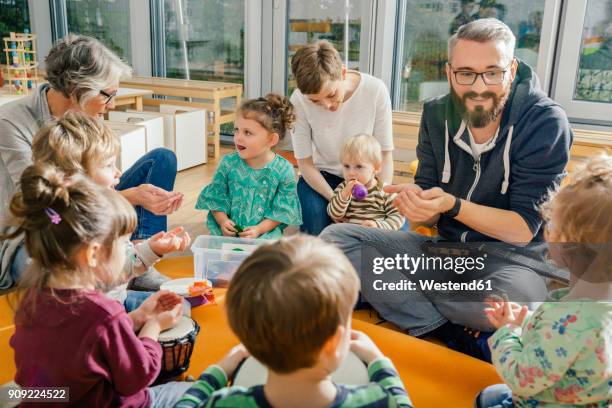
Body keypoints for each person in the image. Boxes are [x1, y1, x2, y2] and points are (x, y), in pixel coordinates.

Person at [321, 18, 573, 360]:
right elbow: (428, 191)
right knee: (335, 240)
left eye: (493, 72)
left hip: (514, 263)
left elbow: (522, 230)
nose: (479, 87)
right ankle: (451, 331)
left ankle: (410, 307)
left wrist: (452, 206)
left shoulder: (545, 122)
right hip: (445, 254)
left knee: (509, 301)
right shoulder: (436, 112)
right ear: (450, 71)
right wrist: (420, 207)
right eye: (466, 73)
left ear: (511, 70)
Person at [0, 34, 182, 290]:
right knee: (53, 275)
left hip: (89, 204)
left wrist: (123, 193)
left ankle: (134, 261)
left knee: (161, 159)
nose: (112, 104)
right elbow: (44, 205)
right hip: (43, 225)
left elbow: (101, 176)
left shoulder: (87, 112)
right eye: (108, 95)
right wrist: (131, 196)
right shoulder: (11, 121)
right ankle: (118, 274)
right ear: (75, 90)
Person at [6, 164, 192, 407]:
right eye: (123, 244)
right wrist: (153, 326)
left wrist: (137, 317)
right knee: (195, 391)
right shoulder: (104, 312)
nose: (127, 251)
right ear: (93, 254)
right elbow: (137, 377)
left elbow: (79, 347)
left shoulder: (31, 300)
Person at [174, 235, 413, 407]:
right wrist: (378, 360)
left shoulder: (225, 402)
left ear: (246, 340)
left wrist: (217, 373)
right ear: (334, 342)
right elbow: (401, 401)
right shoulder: (378, 400)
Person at [476, 154, 612, 407]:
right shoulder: (591, 309)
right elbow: (572, 347)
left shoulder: (569, 322)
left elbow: (520, 378)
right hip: (580, 396)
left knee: (487, 398)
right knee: (493, 392)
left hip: (543, 399)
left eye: (551, 226)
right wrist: (528, 321)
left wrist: (508, 332)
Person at [30, 111, 191, 309]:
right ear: (73, 177)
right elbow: (113, 275)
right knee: (178, 311)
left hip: (114, 301)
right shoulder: (81, 229)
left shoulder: (77, 214)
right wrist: (150, 251)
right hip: (100, 314)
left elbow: (121, 267)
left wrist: (152, 248)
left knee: (180, 306)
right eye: (109, 165)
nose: (119, 173)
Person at [290, 40, 394, 235]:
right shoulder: (298, 100)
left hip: (367, 178)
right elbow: (305, 164)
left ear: (343, 73)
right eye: (315, 101)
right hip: (322, 178)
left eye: (331, 94)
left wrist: (379, 194)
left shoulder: (375, 90)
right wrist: (336, 200)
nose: (328, 106)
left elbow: (385, 154)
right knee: (317, 224)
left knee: (389, 228)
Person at [196, 94, 302, 239]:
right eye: (236, 130)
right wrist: (223, 221)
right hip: (227, 234)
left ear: (271, 139)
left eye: (247, 132)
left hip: (264, 234)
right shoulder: (228, 163)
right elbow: (215, 198)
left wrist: (259, 229)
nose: (238, 137)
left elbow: (282, 211)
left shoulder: (284, 170)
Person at [328, 134, 404, 230]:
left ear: (376, 168)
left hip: (375, 237)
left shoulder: (385, 191)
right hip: (349, 236)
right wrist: (344, 195)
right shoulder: (343, 188)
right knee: (330, 230)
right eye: (346, 166)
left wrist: (378, 226)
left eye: (359, 166)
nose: (351, 173)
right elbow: (334, 213)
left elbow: (398, 216)